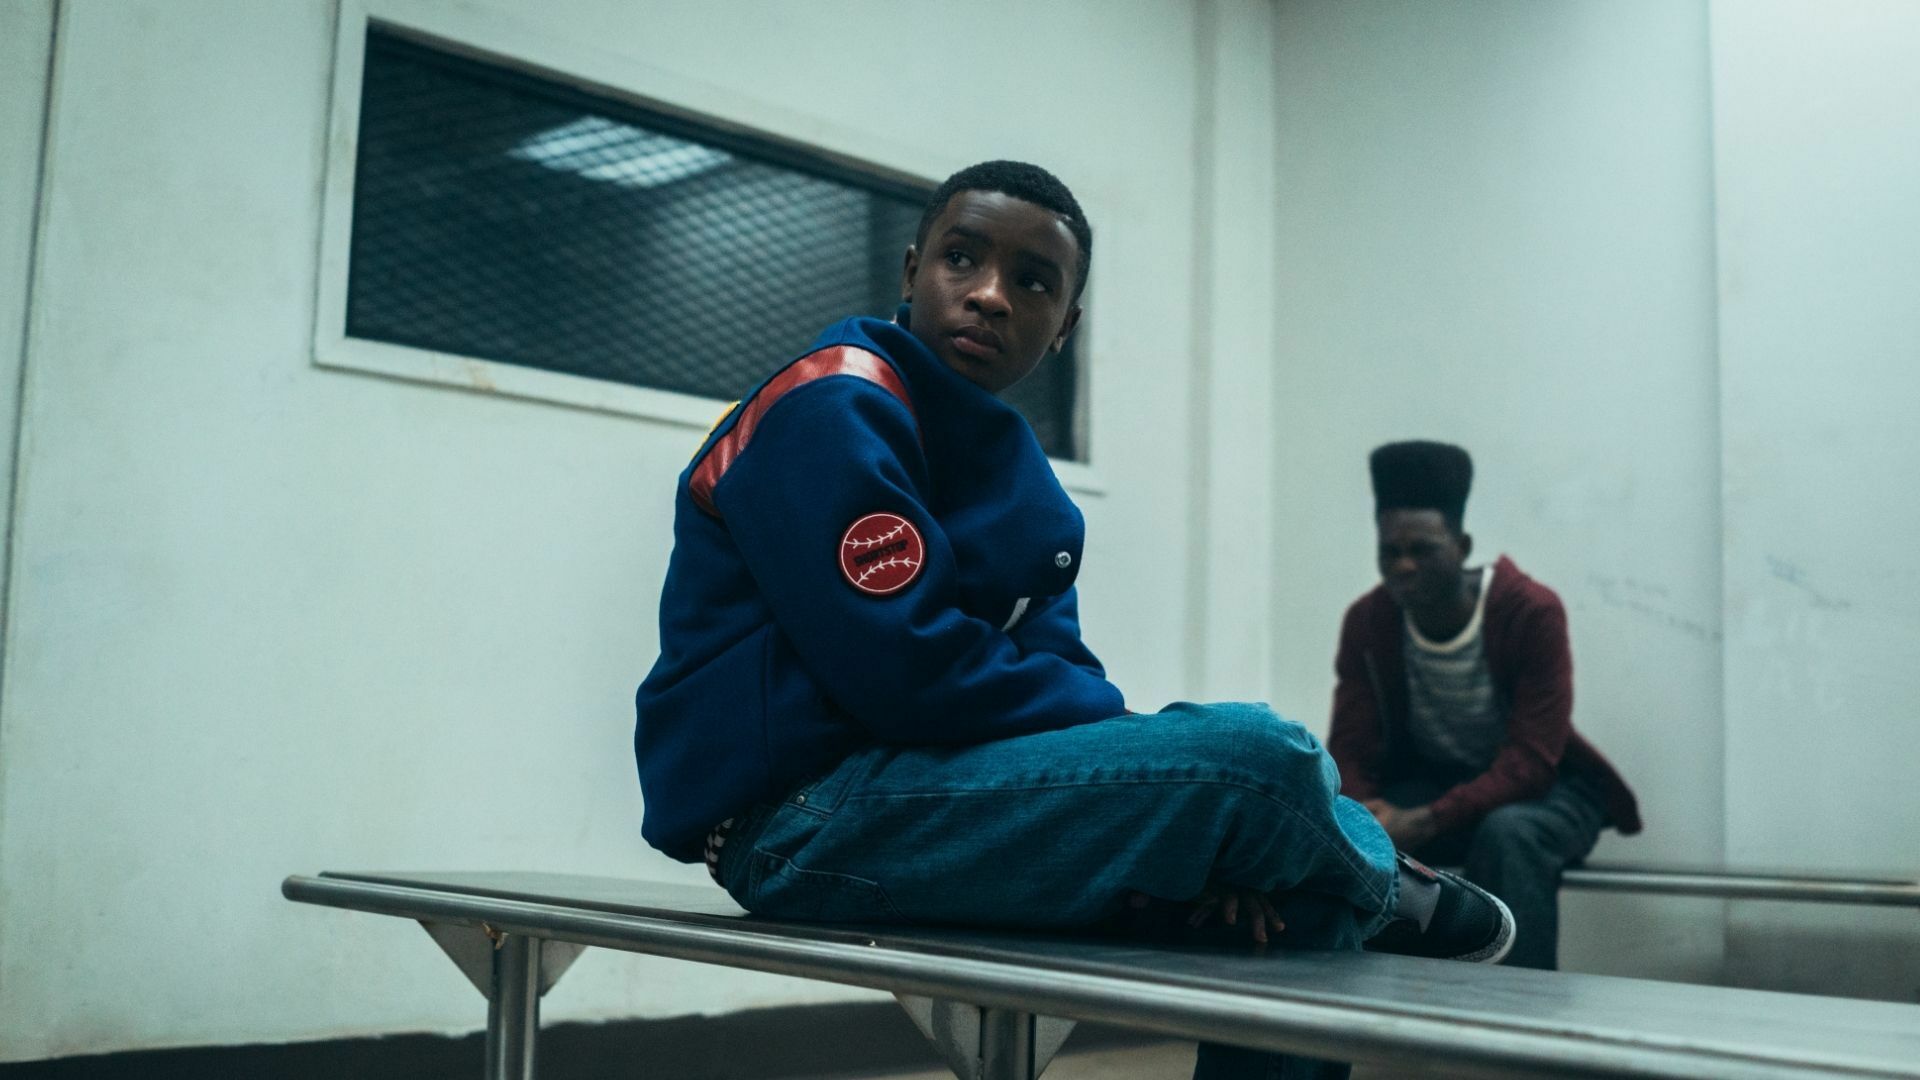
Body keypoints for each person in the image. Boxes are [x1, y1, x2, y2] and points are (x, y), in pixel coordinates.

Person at [635, 162, 1514, 1080]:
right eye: (961, 259)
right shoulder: (831, 405)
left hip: (929, 795)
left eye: (1033, 281)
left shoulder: (1028, 493)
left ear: (1066, 326)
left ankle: (1337, 879)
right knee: (1265, 762)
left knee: (1287, 897)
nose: (989, 296)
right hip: (797, 822)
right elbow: (910, 673)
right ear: (909, 272)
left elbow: (1061, 676)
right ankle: (1386, 882)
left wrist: (1178, 809)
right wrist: (1175, 779)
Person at [1326, 441, 1642, 971]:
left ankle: (1521, 1028)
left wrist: (1426, 821)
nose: (1402, 566)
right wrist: (1365, 815)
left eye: (1422, 549)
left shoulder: (1528, 611)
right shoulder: (1369, 620)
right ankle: (1359, 1011)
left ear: (1463, 544)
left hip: (1548, 790)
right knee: (1341, 824)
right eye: (1389, 552)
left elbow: (1532, 760)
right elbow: (1350, 747)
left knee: (1509, 834)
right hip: (1439, 787)